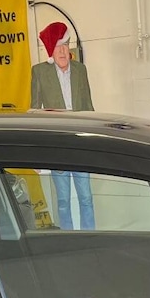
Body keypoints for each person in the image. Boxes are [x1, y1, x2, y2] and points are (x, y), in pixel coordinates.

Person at [30, 21, 95, 229]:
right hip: (57, 144)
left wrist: (94, 143)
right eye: (58, 47)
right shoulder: (39, 72)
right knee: (63, 200)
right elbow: (34, 114)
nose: (62, 51)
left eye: (65, 45)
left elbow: (89, 107)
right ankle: (68, 238)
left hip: (80, 143)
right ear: (51, 50)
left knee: (86, 197)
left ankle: (90, 236)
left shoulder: (80, 70)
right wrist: (37, 154)